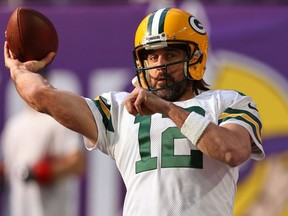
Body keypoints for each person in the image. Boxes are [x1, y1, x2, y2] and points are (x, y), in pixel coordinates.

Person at [4, 7, 265, 216]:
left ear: (194, 58)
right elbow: (42, 96)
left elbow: (232, 151)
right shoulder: (118, 109)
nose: (159, 66)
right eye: (152, 57)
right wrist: (19, 71)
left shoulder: (227, 102)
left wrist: (165, 109)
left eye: (170, 54)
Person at [0, 77, 86, 216]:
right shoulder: (14, 126)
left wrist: (46, 171)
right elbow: (9, 170)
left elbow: (77, 162)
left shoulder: (58, 119)